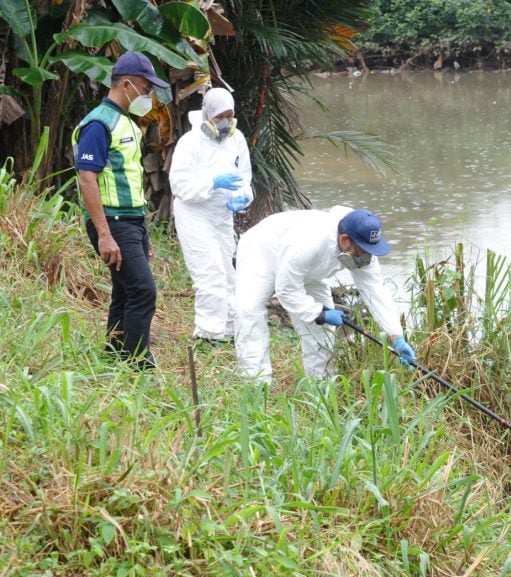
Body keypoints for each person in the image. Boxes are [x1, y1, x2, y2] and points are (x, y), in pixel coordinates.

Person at [234, 205, 416, 383]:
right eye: (363, 251)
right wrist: (319, 312)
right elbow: (287, 290)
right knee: (249, 310)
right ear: (344, 240)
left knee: (322, 331)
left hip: (312, 270)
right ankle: (255, 382)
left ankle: (320, 383)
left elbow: (375, 292)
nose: (366, 257)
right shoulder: (308, 242)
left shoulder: (362, 248)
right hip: (263, 252)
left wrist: (396, 336)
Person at [72, 51, 168, 370]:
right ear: (125, 84)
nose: (147, 95)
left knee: (125, 291)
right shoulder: (99, 123)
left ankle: (113, 357)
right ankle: (139, 364)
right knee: (143, 290)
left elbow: (128, 177)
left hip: (131, 221)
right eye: (144, 87)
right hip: (112, 222)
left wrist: (143, 232)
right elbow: (87, 179)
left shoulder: (126, 120)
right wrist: (103, 234)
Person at [168, 87, 253, 343]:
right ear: (208, 115)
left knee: (228, 273)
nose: (226, 122)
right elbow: (179, 186)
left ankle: (227, 330)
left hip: (222, 215)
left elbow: (245, 177)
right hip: (194, 214)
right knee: (209, 274)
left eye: (230, 115)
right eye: (220, 117)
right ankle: (207, 335)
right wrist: (212, 183)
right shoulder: (190, 143)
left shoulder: (237, 140)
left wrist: (244, 197)